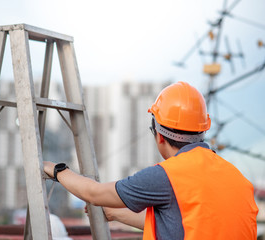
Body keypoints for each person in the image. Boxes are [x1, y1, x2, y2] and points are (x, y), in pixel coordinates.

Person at [44, 81, 258, 239]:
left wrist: (55, 170)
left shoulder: (167, 176)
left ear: (160, 135)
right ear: (202, 130)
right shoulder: (235, 177)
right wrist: (115, 214)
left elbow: (94, 193)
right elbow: (177, 224)